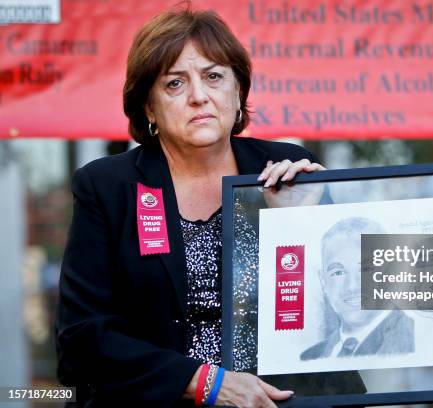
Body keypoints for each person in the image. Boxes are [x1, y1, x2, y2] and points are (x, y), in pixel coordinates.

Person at [55, 8, 324, 407]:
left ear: (238, 93)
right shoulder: (107, 187)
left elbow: (334, 304)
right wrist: (204, 382)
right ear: (149, 108)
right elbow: (82, 338)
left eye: (214, 77)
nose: (199, 96)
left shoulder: (286, 171)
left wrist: (297, 224)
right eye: (175, 83)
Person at [301, 218, 415, 360]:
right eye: (338, 272)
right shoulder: (309, 358)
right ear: (324, 282)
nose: (352, 286)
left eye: (366, 269)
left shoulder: (415, 342)